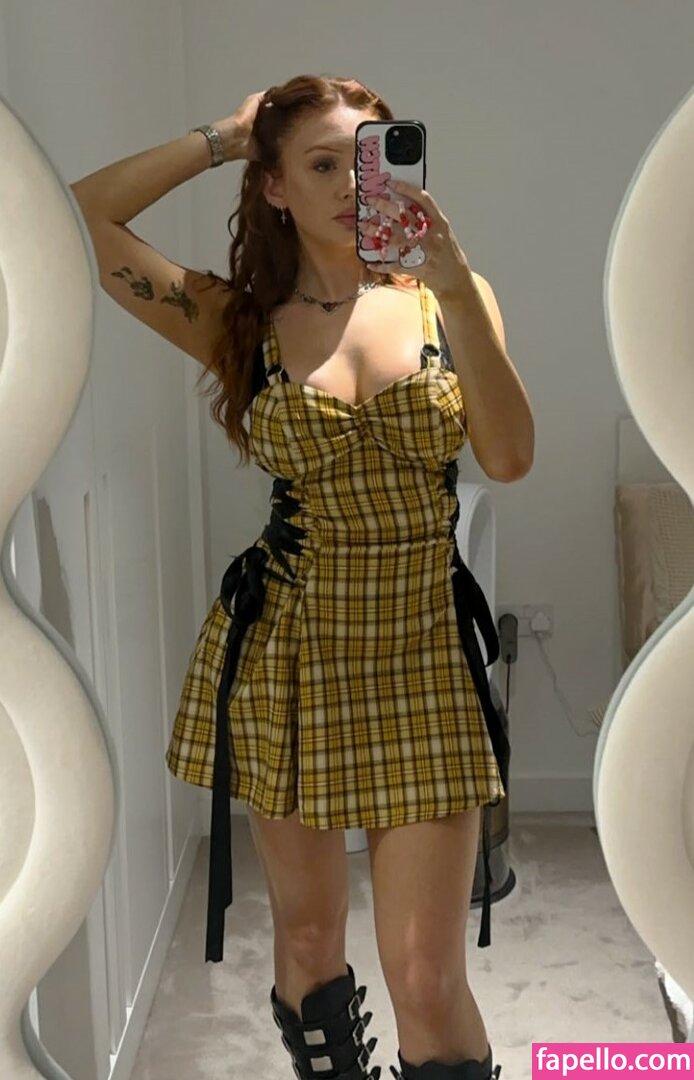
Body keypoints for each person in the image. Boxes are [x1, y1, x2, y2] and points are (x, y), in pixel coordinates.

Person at [70, 72, 532, 1080]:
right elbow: (83, 220)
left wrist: (456, 284)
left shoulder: (447, 301)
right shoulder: (238, 320)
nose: (352, 185)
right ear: (274, 185)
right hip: (289, 653)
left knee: (425, 977)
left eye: (368, 159)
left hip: (421, 654)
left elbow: (507, 458)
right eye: (322, 164)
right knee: (311, 940)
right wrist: (225, 135)